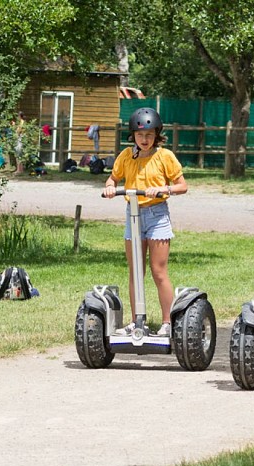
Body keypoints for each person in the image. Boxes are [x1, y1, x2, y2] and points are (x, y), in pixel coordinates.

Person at [102, 107, 187, 337]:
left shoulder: (164, 156)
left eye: (149, 134)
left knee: (158, 271)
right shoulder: (126, 156)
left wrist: (163, 188)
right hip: (133, 213)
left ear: (157, 134)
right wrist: (110, 186)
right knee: (135, 271)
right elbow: (113, 177)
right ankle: (136, 321)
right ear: (133, 136)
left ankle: (168, 323)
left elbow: (182, 186)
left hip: (157, 214)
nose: (145, 139)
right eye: (140, 135)